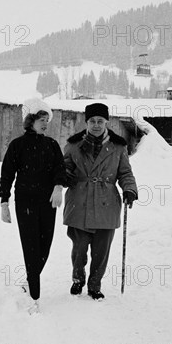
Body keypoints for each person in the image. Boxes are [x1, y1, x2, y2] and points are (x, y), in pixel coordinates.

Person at [63, 102, 138, 300]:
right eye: (92, 121)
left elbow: (125, 173)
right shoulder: (73, 145)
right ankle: (78, 279)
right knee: (79, 249)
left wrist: (129, 188)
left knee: (101, 250)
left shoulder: (118, 146)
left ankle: (94, 285)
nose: (96, 125)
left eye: (100, 121)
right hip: (79, 202)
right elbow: (64, 168)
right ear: (86, 122)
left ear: (106, 122)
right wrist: (65, 176)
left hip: (106, 203)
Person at [0, 98, 66, 314]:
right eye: (41, 119)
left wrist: (58, 187)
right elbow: (7, 175)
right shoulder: (17, 146)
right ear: (30, 120)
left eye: (47, 119)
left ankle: (30, 280)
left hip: (48, 204)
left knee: (44, 248)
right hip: (25, 203)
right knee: (31, 248)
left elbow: (60, 169)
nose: (45, 123)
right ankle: (34, 297)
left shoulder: (52, 145)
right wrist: (4, 203)